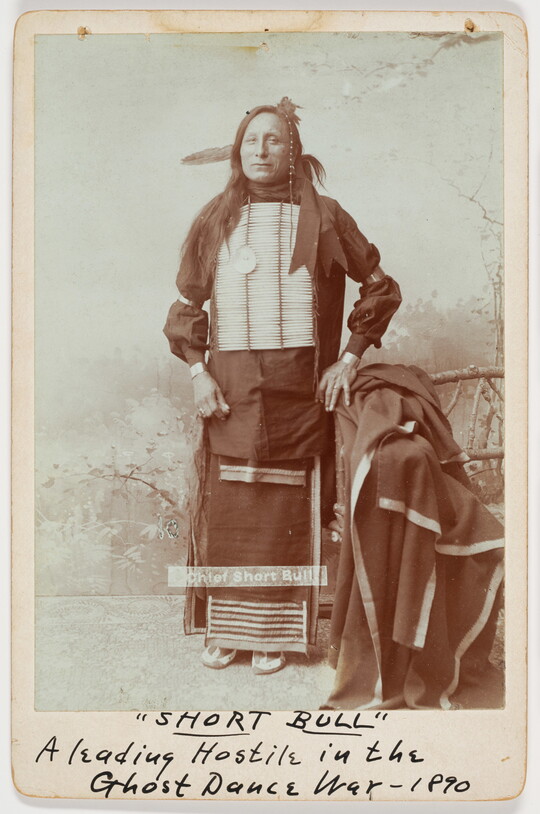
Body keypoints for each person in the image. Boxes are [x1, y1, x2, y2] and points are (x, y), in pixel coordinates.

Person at [164, 97, 401, 675]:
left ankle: (275, 634)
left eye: (273, 140)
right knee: (233, 503)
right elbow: (186, 307)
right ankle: (226, 628)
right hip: (231, 389)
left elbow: (380, 288)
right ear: (237, 150)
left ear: (294, 150)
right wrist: (198, 373)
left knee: (287, 505)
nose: (261, 150)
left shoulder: (327, 217)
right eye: (251, 140)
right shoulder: (214, 219)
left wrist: (348, 358)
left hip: (302, 388)